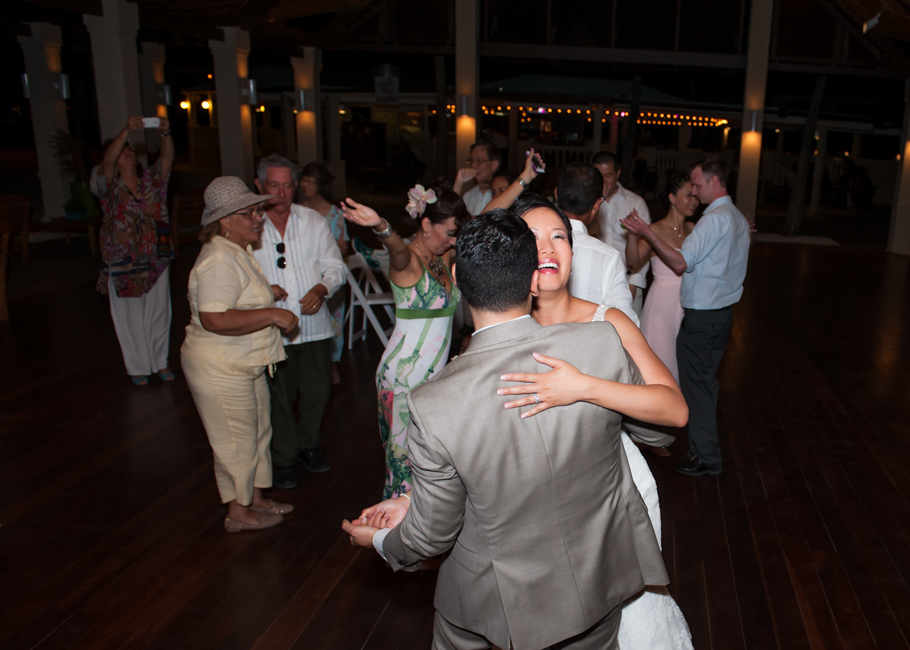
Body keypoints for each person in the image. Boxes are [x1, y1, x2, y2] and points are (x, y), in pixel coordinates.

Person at [343, 210, 686, 650]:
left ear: (459, 284)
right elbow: (658, 435)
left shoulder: (434, 401)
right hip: (597, 582)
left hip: (491, 608)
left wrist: (384, 541)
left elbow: (432, 535)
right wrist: (413, 497)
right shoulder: (602, 341)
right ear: (530, 280)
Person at [181, 176, 298, 532]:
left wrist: (267, 293)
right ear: (224, 220)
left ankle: (256, 498)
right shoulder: (218, 258)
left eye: (257, 211)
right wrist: (270, 313)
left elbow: (236, 297)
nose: (258, 219)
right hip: (220, 367)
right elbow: (214, 318)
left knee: (259, 432)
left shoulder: (236, 251)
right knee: (236, 440)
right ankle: (238, 512)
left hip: (244, 363)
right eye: (248, 214)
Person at [622, 157, 751, 477]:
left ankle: (703, 455)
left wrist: (647, 235)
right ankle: (676, 442)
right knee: (697, 383)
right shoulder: (732, 217)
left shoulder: (711, 221)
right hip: (713, 315)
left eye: (698, 186)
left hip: (702, 316)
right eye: (689, 189)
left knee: (697, 386)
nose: (695, 193)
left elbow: (681, 263)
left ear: (714, 182)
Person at [341, 185, 467, 498]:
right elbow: (396, 249)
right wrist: (379, 225)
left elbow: (485, 213)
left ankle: (420, 533)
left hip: (432, 378)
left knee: (429, 462)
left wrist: (524, 177)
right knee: (402, 467)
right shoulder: (408, 263)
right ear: (426, 225)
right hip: (402, 378)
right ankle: (393, 539)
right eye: (449, 233)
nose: (454, 240)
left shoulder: (443, 255)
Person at [251, 154, 346, 489]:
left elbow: (336, 265)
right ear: (260, 186)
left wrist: (322, 288)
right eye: (273, 185)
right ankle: (284, 458)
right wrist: (263, 289)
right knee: (278, 395)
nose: (281, 192)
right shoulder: (250, 223)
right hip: (272, 328)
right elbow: (241, 275)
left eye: (287, 185)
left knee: (317, 392)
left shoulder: (313, 221)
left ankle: (309, 446)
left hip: (314, 325)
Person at [97, 116, 175, 386]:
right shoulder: (109, 187)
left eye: (130, 148)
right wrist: (127, 129)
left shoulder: (150, 182)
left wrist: (165, 135)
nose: (127, 152)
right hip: (123, 260)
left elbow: (167, 160)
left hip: (156, 257)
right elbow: (107, 163)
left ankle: (159, 361)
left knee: (158, 312)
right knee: (130, 317)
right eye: (122, 150)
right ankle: (138, 366)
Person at [625, 172, 698, 383]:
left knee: (683, 363)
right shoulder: (654, 229)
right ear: (672, 198)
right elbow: (632, 259)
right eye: (688, 195)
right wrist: (632, 234)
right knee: (663, 363)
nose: (694, 201)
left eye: (695, 196)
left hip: (689, 304)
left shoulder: (694, 229)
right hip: (662, 306)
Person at [554, 162, 638, 326]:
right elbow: (626, 324)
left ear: (556, 194)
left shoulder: (533, 244)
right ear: (597, 203)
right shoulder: (608, 257)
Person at [299, 160, 349, 384]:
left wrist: (326, 244)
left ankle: (332, 364)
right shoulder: (297, 212)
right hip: (305, 275)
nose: (305, 185)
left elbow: (344, 247)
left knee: (333, 321)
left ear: (321, 185)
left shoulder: (335, 214)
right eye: (303, 180)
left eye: (311, 181)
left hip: (328, 276)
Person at [593, 151, 651, 317]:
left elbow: (645, 246)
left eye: (608, 175)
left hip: (626, 279)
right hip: (597, 280)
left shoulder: (636, 203)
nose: (603, 181)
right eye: (599, 175)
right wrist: (597, 201)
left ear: (618, 174)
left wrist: (634, 282)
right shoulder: (589, 204)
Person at [453, 141, 501, 216]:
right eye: (471, 160)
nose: (473, 165)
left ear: (494, 165)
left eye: (479, 161)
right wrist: (459, 182)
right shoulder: (468, 196)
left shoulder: (501, 193)